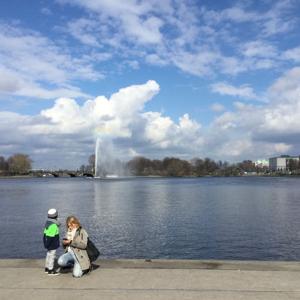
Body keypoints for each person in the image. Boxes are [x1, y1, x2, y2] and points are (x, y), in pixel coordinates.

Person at [43, 208, 60, 275]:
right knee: (52, 257)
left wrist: (45, 243)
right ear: (56, 216)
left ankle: (46, 268)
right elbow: (51, 236)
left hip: (48, 243)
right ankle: (51, 270)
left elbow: (45, 234)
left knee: (48, 255)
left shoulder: (47, 223)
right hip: (52, 244)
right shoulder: (54, 225)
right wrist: (49, 244)